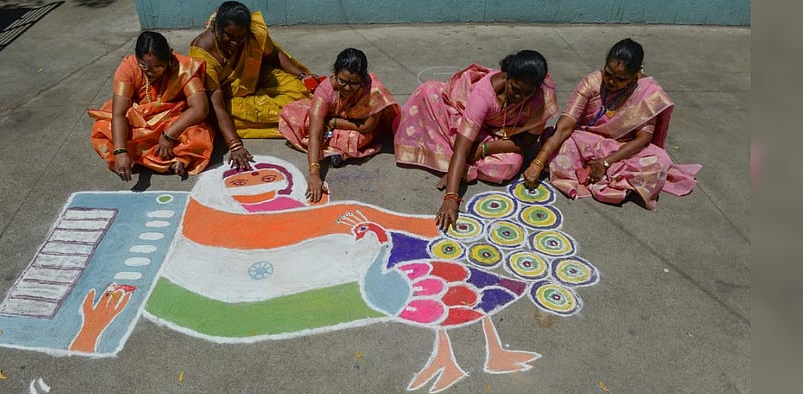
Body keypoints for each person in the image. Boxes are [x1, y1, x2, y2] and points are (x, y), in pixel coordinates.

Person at [522, 38, 701, 209]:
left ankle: (602, 174)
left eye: (621, 78)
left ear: (635, 75)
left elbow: (643, 139)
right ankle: (612, 180)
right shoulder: (592, 82)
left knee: (658, 161)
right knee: (555, 140)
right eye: (608, 73)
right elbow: (565, 125)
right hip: (584, 141)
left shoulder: (648, 93)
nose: (611, 81)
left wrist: (606, 162)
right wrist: (537, 163)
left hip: (621, 149)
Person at [394, 50, 558, 231]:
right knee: (428, 94)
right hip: (462, 117)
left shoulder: (542, 96)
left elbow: (527, 141)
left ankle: (459, 168)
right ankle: (459, 168)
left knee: (511, 164)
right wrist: (451, 197)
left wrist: (485, 148)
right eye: (515, 89)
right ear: (507, 76)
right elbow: (461, 149)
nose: (519, 97)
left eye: (526, 93)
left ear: (537, 88)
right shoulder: (484, 93)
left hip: (499, 134)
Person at [189, 0, 319, 166]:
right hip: (229, 99)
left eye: (240, 38)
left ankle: (310, 114)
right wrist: (235, 145)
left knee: (300, 90)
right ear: (216, 28)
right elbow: (217, 104)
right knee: (266, 114)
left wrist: (302, 76)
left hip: (258, 75)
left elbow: (275, 55)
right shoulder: (202, 52)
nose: (235, 43)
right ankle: (308, 118)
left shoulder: (253, 33)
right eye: (230, 37)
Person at [278, 48, 401, 203]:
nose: (347, 88)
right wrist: (314, 173)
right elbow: (315, 133)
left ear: (363, 79)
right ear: (335, 74)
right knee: (295, 116)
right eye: (342, 81)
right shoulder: (325, 90)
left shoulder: (374, 91)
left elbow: (366, 127)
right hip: (335, 122)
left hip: (356, 128)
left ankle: (334, 149)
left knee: (358, 139)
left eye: (354, 83)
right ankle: (337, 151)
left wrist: (334, 122)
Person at [89, 31, 213, 181]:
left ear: (169, 58)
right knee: (103, 128)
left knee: (199, 133)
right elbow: (119, 113)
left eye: (158, 67)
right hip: (138, 122)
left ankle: (172, 159)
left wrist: (168, 135)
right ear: (136, 58)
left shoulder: (184, 68)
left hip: (172, 121)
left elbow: (200, 109)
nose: (150, 72)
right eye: (144, 66)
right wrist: (120, 151)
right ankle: (168, 160)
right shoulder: (128, 68)